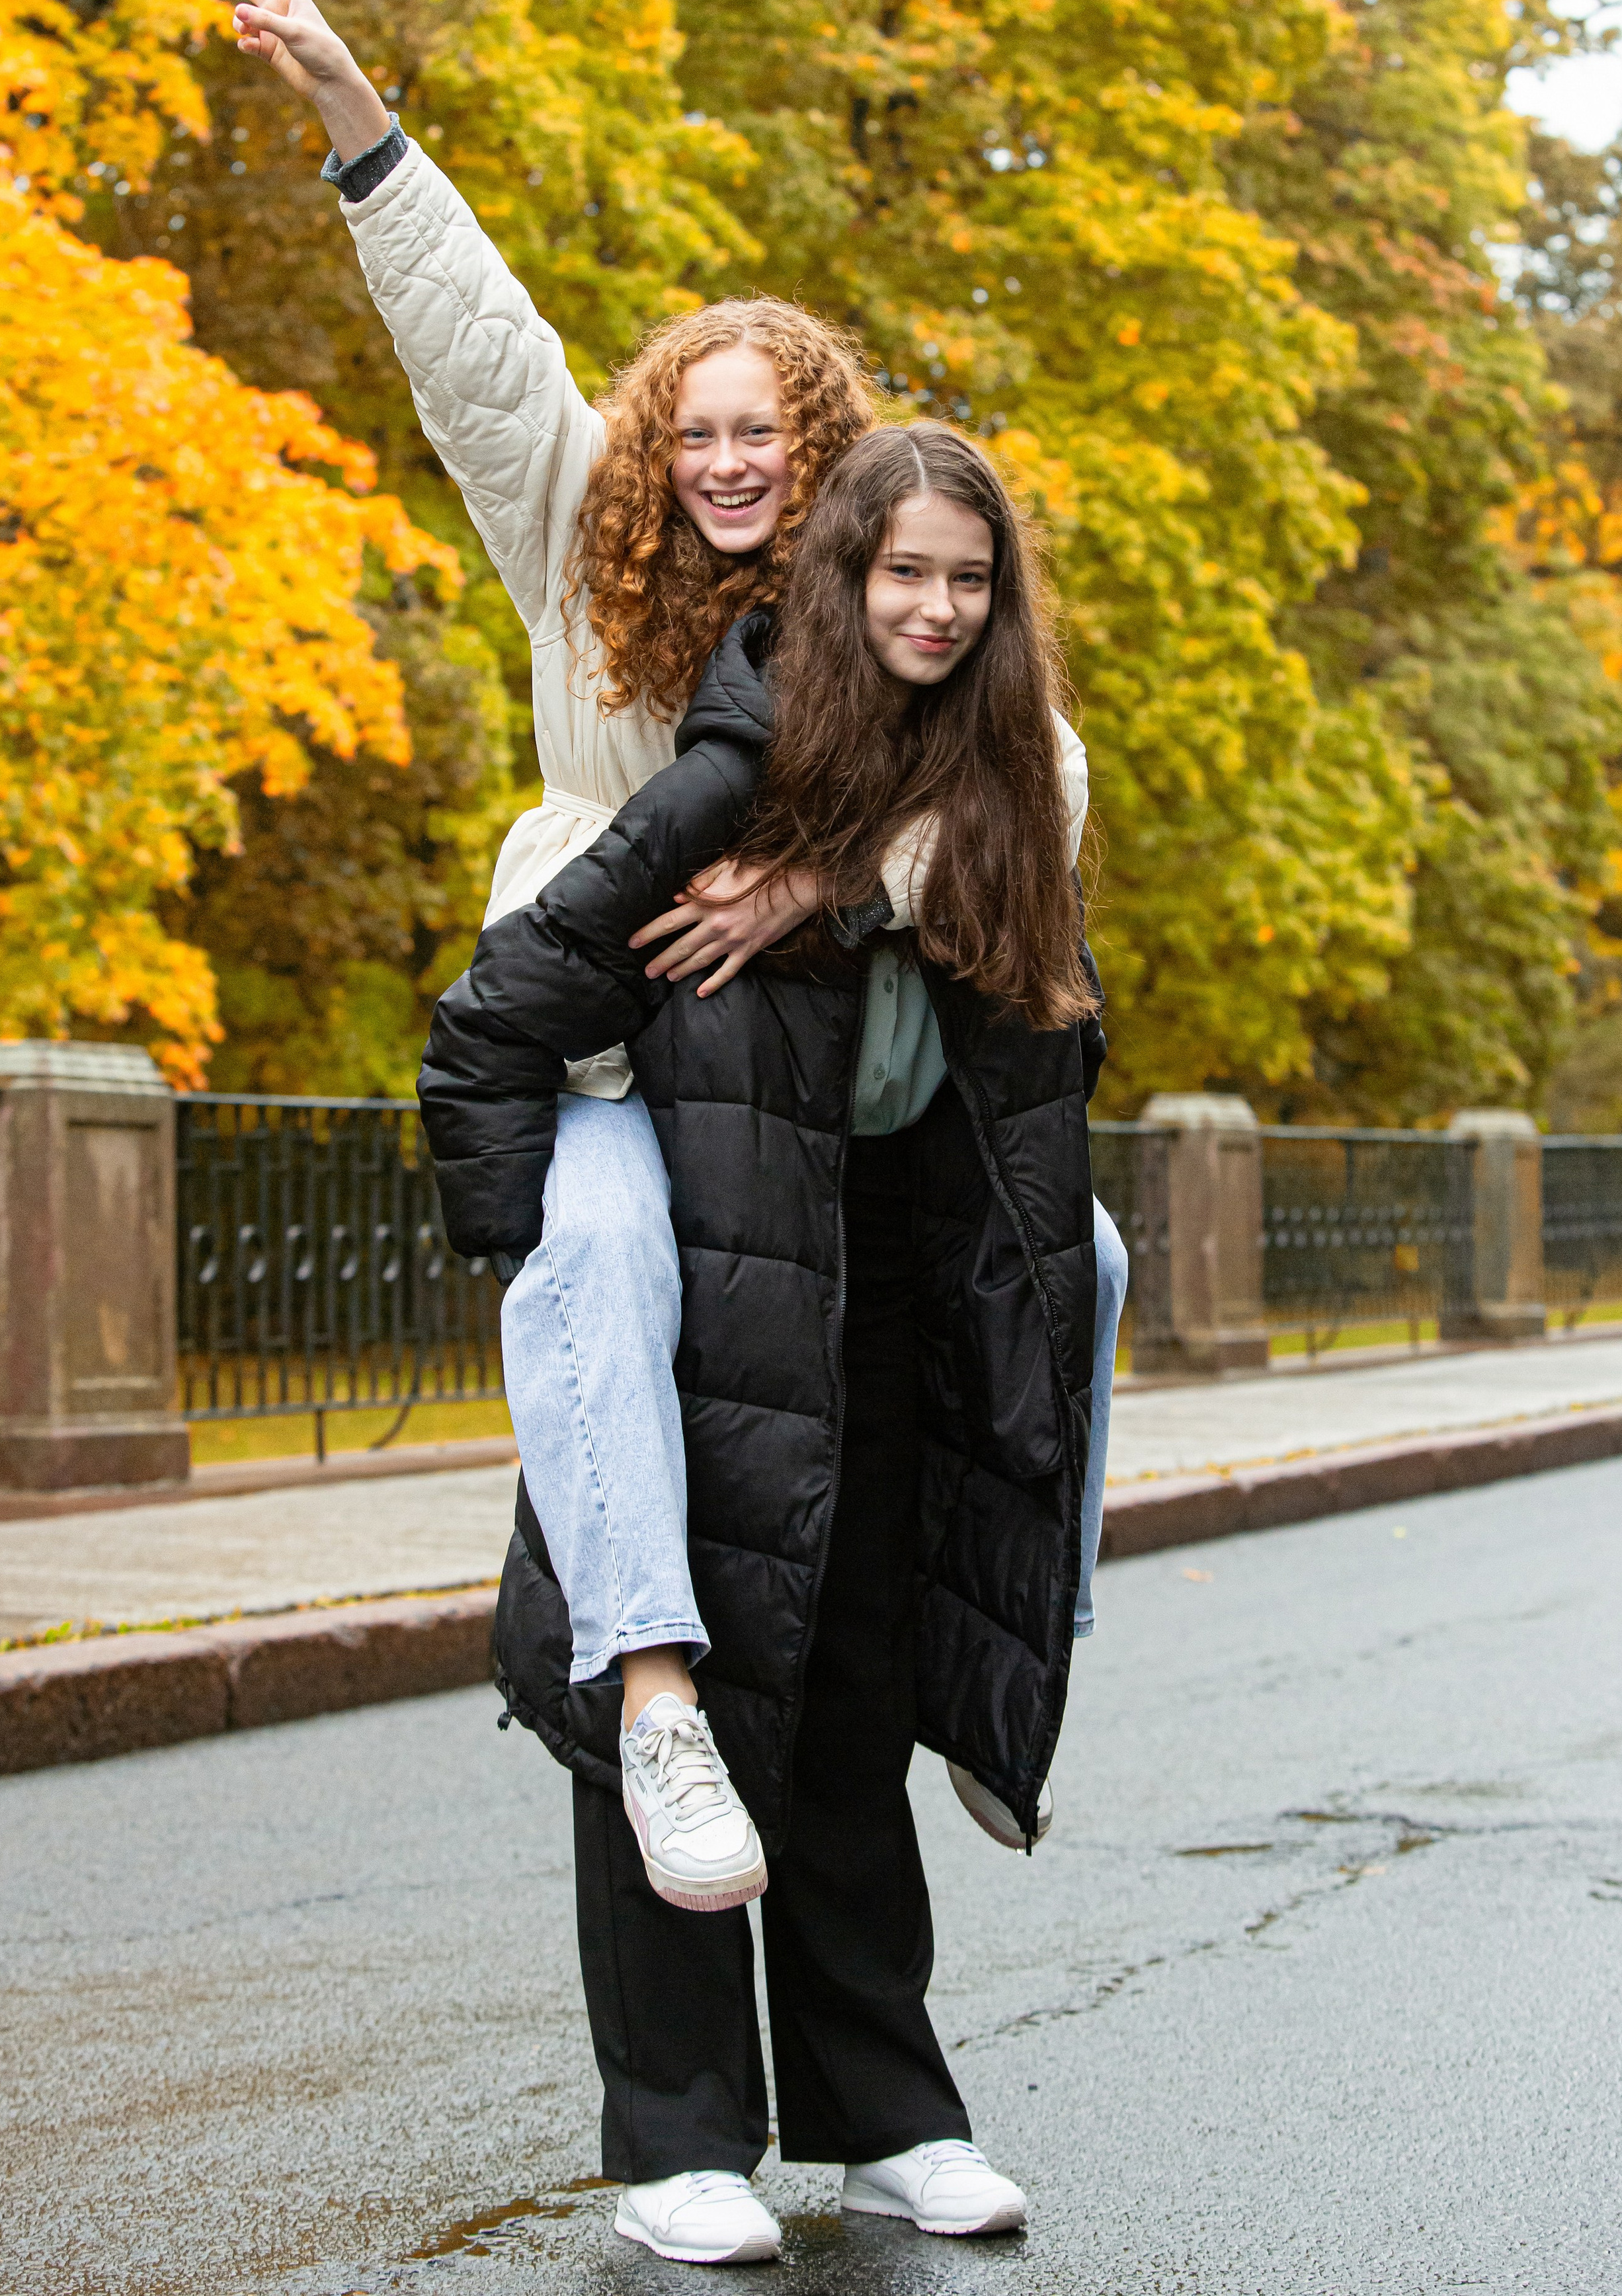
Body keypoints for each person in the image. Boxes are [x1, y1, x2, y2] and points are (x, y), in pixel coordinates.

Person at [208, 0, 1126, 1870]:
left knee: (1086, 1265)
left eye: (762, 433)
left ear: (821, 456)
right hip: (618, 1043)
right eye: (695, 431)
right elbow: (472, 341)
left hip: (805, 1074)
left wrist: (830, 873)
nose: (725, 462)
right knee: (603, 1260)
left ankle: (1019, 1641)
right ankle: (652, 1696)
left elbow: (1031, 779)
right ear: (653, 446)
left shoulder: (873, 606)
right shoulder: (575, 539)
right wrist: (351, 105)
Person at [421, 422, 1114, 2264]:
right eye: (905, 573)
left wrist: (844, 893)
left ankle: (891, 2119)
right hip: (705, 1267)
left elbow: (1043, 1017)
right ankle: (677, 2141)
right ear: (842, 574)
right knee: (678, 1685)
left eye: (969, 580)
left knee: (853, 1685)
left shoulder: (1002, 780)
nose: (936, 608)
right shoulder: (729, 771)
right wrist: (521, 1230)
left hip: (884, 1267)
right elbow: (502, 1006)